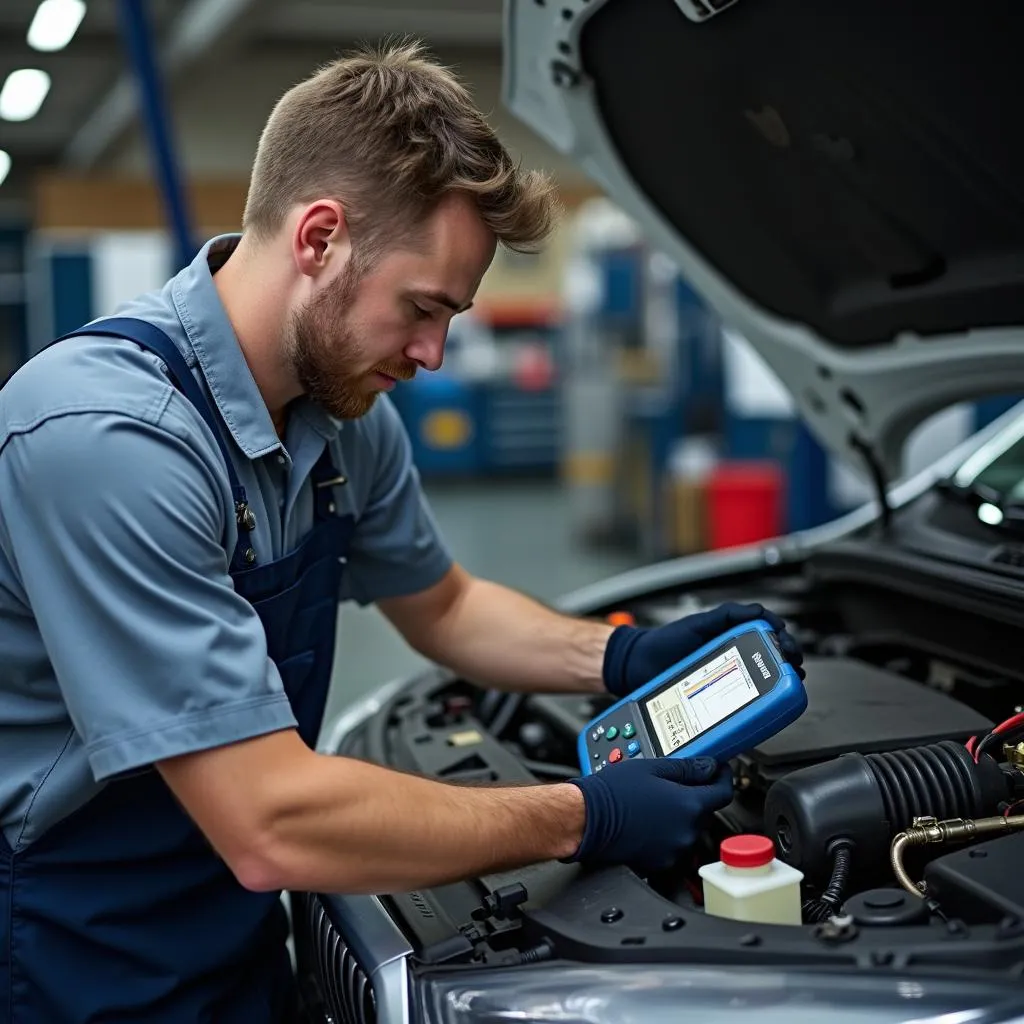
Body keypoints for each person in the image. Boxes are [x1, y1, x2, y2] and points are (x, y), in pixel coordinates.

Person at [0, 39, 803, 1024]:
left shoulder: (344, 420)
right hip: (81, 946)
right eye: (422, 308)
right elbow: (268, 820)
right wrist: (580, 816)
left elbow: (445, 604)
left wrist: (623, 656)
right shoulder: (109, 439)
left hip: (235, 919)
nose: (432, 353)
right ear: (319, 238)